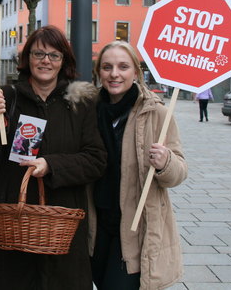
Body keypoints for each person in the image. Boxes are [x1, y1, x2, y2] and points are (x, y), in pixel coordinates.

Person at [0, 25, 107, 290]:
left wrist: (52, 165)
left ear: (64, 61)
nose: (46, 60)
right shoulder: (6, 97)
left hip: (63, 225)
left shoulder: (82, 102)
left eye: (54, 55)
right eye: (39, 53)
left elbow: (96, 160)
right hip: (12, 221)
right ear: (27, 58)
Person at [90, 41, 187, 290]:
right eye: (107, 67)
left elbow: (179, 172)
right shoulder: (87, 110)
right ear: (98, 72)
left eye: (123, 67)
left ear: (136, 71)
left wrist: (166, 163)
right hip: (95, 223)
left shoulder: (156, 113)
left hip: (134, 227)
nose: (114, 74)